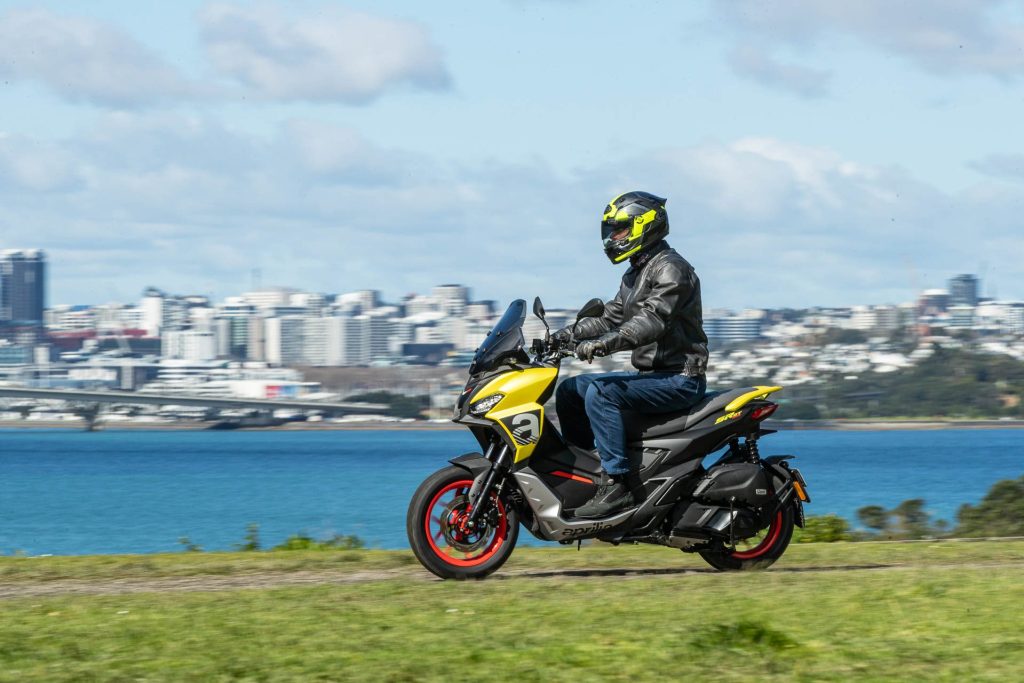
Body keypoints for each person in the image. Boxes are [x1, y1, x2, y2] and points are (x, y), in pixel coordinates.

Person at [554, 191, 709, 519]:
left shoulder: (672, 269)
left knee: (601, 393)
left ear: (644, 225)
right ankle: (585, 473)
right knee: (570, 391)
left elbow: (653, 320)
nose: (613, 238)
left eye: (620, 229)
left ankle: (618, 484)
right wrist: (563, 336)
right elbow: (610, 316)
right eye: (612, 231)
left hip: (679, 377)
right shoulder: (635, 273)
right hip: (652, 377)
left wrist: (606, 345)